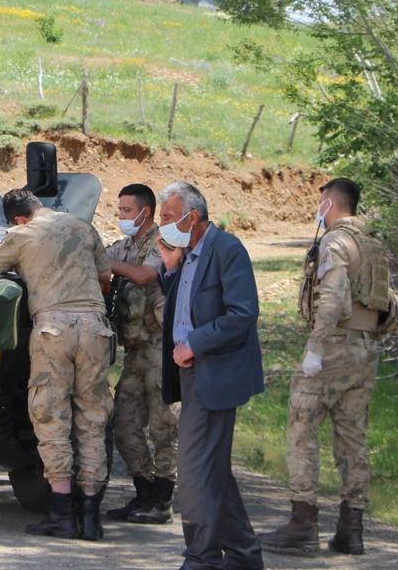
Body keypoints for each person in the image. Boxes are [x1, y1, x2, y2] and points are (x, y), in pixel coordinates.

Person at [0, 188, 114, 541]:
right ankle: (92, 515)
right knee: (93, 421)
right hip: (96, 329)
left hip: (53, 330)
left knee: (51, 418)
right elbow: (105, 279)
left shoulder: (22, 233)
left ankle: (62, 512)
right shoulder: (82, 227)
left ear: (19, 217)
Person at [259, 177, 385, 557]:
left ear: (329, 203)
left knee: (302, 427)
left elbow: (331, 300)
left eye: (320, 203)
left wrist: (315, 349)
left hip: (332, 346)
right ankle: (352, 528)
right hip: (364, 350)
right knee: (353, 439)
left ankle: (303, 523)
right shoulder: (374, 245)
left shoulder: (335, 241)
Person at [156, 181, 265, 570]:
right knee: (211, 468)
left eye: (167, 217)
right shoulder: (187, 254)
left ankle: (201, 556)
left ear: (192, 217)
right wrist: (169, 270)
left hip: (217, 372)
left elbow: (242, 313)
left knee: (194, 469)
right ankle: (244, 554)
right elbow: (186, 301)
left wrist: (195, 343)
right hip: (191, 374)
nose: (161, 225)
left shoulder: (227, 249)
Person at [103, 183, 179, 525]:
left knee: (165, 425)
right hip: (135, 350)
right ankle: (144, 491)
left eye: (126, 211)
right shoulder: (125, 245)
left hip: (161, 347)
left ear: (145, 212)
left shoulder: (162, 242)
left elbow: (145, 274)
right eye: (119, 211)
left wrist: (110, 267)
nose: (121, 217)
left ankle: (163, 498)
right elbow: (103, 261)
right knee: (124, 423)